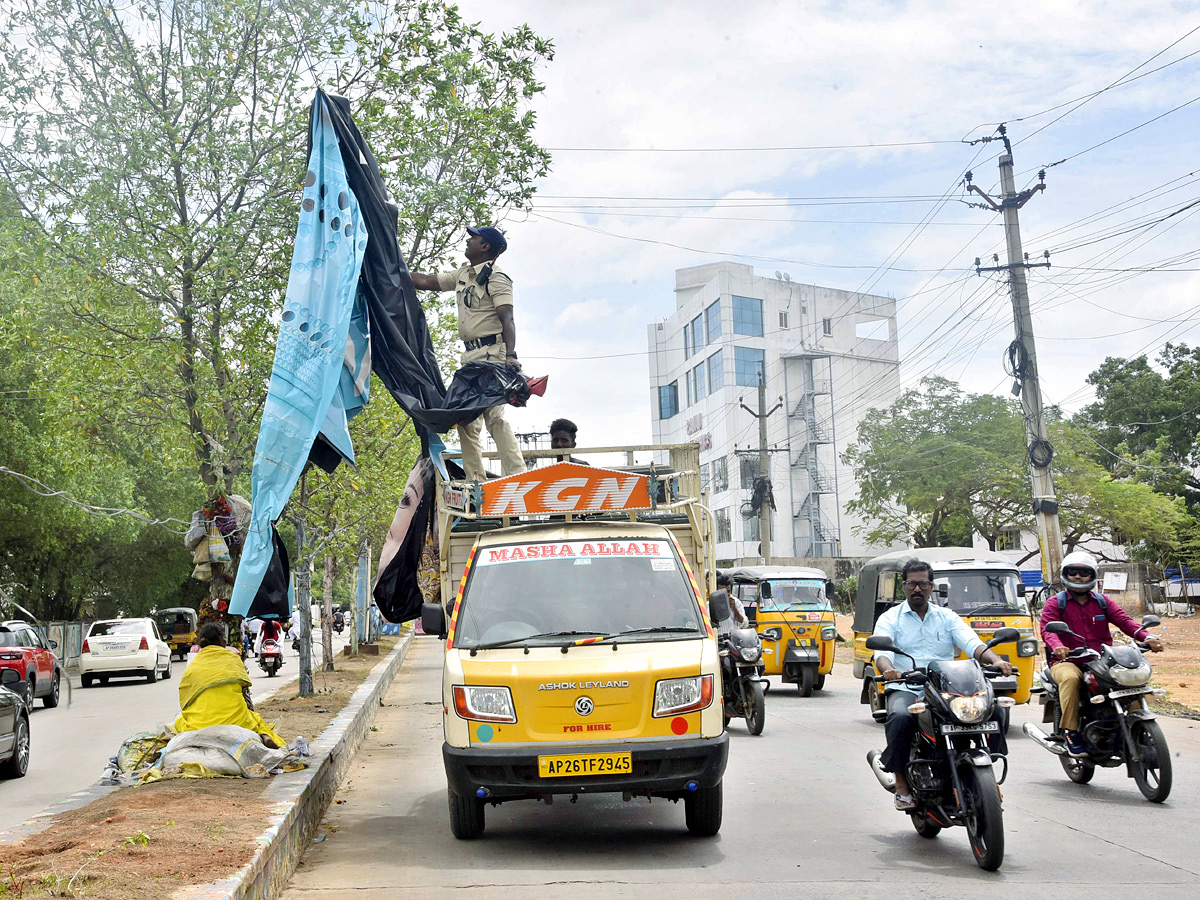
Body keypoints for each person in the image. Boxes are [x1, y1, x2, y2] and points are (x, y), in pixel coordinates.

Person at [872, 559, 1012, 810]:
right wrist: (889, 670)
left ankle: (987, 770)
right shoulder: (891, 618)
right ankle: (902, 783)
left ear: (931, 586)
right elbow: (882, 654)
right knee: (901, 717)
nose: (917, 589)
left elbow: (972, 643)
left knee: (995, 710)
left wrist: (996, 660)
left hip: (945, 689)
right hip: (908, 687)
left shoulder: (947, 617)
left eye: (923, 584)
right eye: (912, 584)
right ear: (904, 586)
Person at [411, 226, 524, 481]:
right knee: (466, 421)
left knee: (494, 416)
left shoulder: (497, 277)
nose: (468, 239)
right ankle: (476, 483)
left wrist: (511, 355)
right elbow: (428, 281)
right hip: (470, 357)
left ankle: (517, 477)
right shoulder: (464, 273)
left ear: (485, 246)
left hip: (493, 354)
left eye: (474, 237)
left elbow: (508, 318)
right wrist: (393, 271)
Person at [1040, 550, 1164, 757]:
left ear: (1092, 576)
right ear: (1065, 575)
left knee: (1130, 681)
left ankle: (1136, 725)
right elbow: (1047, 630)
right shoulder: (1055, 603)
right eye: (1073, 572)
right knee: (1071, 679)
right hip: (1067, 660)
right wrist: (1057, 646)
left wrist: (1147, 637)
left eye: (1083, 573)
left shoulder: (1102, 601)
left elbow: (1125, 621)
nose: (1078, 576)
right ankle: (1071, 733)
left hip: (1100, 659)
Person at [175, 622, 285, 748]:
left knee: (179, 721)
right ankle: (265, 736)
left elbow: (185, 700)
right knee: (256, 719)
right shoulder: (232, 658)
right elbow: (245, 691)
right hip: (235, 720)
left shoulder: (193, 665)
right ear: (221, 640)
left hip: (199, 723)